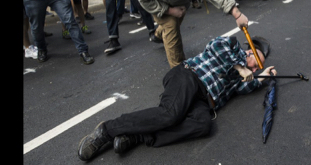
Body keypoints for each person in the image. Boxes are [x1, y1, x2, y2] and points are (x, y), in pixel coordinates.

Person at [77, 36, 276, 161]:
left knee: (203, 125)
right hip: (189, 76)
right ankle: (107, 131)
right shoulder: (233, 48)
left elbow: (243, 88)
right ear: (249, 52)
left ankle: (137, 136)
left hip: (203, 100)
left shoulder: (244, 76)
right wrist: (240, 67)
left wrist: (263, 75)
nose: (255, 68)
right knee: (170, 114)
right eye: (256, 62)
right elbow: (217, 45)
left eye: (258, 67)